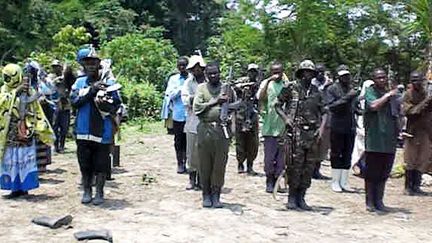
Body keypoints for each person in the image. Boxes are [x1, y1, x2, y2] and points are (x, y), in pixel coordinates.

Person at [70, 48, 121, 205]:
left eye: (94, 63)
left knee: (101, 163)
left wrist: (106, 103)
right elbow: (75, 102)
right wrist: (92, 91)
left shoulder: (109, 83)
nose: (91, 66)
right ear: (83, 65)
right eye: (87, 63)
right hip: (83, 130)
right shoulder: (79, 83)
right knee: (85, 163)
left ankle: (99, 192)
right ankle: (87, 190)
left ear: (99, 64)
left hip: (103, 131)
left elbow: (117, 104)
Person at [275, 60, 324, 210]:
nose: (307, 75)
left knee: (308, 167)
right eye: (305, 72)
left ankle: (302, 197)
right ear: (301, 73)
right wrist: (286, 119)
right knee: (294, 166)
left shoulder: (316, 91)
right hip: (295, 133)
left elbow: (324, 111)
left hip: (312, 134)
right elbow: (277, 105)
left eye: (310, 72)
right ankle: (291, 197)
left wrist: (320, 128)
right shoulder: (291, 88)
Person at [0, 64, 53, 198]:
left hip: (25, 131)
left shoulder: (28, 91)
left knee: (24, 159)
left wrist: (42, 129)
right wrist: (15, 92)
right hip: (9, 133)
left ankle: (24, 188)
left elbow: (35, 108)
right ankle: (13, 188)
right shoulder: (4, 90)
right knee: (11, 160)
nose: (7, 80)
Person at [193, 62, 236, 208]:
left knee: (219, 164)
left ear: (220, 73)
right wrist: (216, 101)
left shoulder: (227, 89)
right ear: (206, 75)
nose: (213, 76)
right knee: (205, 163)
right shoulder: (201, 88)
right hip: (205, 129)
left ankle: (216, 195)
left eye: (215, 73)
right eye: (210, 73)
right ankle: (206, 194)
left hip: (222, 130)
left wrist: (229, 109)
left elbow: (236, 106)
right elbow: (197, 107)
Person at [363, 68, 399, 212]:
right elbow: (373, 106)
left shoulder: (391, 95)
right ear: (374, 79)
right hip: (374, 140)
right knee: (372, 173)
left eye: (384, 77)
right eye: (379, 78)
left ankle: (379, 200)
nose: (382, 80)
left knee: (384, 173)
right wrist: (389, 95)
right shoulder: (370, 91)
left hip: (389, 141)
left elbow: (397, 114)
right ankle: (370, 202)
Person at [326, 66, 358, 192]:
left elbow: (354, 106)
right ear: (338, 76)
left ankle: (344, 181)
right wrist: (348, 97)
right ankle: (335, 181)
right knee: (336, 153)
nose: (346, 78)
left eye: (347, 75)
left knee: (347, 153)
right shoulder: (332, 89)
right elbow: (331, 106)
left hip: (350, 125)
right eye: (343, 76)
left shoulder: (351, 89)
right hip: (337, 125)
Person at [256, 62, 287, 193]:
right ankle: (269, 181)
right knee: (269, 159)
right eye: (274, 72)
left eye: (279, 71)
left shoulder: (287, 85)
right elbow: (260, 97)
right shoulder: (266, 83)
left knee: (281, 160)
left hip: (283, 127)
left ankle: (277, 183)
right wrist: (268, 81)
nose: (277, 74)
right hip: (269, 126)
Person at [402, 71, 432, 195]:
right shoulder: (408, 94)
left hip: (426, 131)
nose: (416, 82)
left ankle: (416, 185)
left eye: (418, 80)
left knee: (422, 159)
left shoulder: (425, 93)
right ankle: (408, 187)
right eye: (413, 80)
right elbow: (410, 111)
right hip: (412, 131)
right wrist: (426, 102)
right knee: (410, 160)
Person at [161, 57, 190, 174]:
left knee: (188, 140)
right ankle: (180, 163)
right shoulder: (173, 79)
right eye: (180, 65)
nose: (182, 67)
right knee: (178, 140)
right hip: (178, 114)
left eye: (184, 65)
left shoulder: (192, 78)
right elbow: (170, 94)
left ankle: (186, 161)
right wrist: (182, 89)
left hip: (190, 114)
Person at [181, 55, 206, 190]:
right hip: (192, 122)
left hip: (207, 123)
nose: (197, 71)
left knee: (204, 153)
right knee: (191, 153)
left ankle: (202, 180)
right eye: (194, 69)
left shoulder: (209, 82)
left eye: (199, 68)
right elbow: (185, 100)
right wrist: (198, 100)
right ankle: (191, 178)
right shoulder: (188, 83)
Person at [233, 63, 260, 175]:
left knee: (252, 143)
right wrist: (242, 87)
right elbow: (234, 87)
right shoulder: (242, 81)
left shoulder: (259, 84)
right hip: (241, 114)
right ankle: (240, 164)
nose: (252, 73)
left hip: (253, 116)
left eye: (254, 71)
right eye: (251, 71)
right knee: (240, 141)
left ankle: (250, 165)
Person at [311, 63, 332, 180]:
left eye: (321, 72)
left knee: (323, 146)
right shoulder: (312, 83)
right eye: (317, 72)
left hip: (326, 118)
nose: (320, 74)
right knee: (312, 145)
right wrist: (324, 87)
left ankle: (317, 171)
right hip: (313, 117)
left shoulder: (330, 83)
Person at [351, 80, 374, 177]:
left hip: (372, 123)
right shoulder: (359, 98)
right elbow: (354, 108)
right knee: (361, 146)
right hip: (361, 123)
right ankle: (358, 165)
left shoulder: (374, 97)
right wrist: (362, 112)